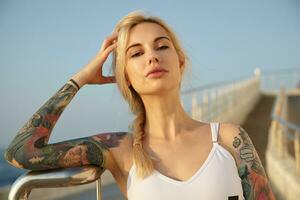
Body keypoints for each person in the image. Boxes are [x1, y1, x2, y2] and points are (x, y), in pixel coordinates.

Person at [5, 10, 275, 200]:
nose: (152, 58)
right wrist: (82, 78)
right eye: (136, 53)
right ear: (125, 77)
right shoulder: (120, 150)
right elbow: (23, 152)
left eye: (162, 47)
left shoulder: (229, 139)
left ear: (180, 63)